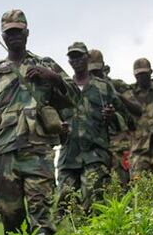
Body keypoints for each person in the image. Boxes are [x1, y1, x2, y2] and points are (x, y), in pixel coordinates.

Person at [0, 9, 72, 235]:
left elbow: (75, 97)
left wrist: (53, 77)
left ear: (27, 33)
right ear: (3, 36)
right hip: (5, 152)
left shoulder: (45, 64)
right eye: (9, 32)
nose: (14, 36)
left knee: (40, 209)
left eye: (18, 31)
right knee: (10, 214)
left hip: (38, 149)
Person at [56, 41, 133, 223]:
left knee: (93, 199)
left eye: (79, 56)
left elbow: (125, 118)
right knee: (64, 200)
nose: (76, 60)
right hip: (69, 154)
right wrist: (58, 127)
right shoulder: (63, 88)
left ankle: (93, 233)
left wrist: (112, 117)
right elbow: (51, 114)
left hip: (95, 153)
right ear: (69, 61)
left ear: (87, 58)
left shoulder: (103, 87)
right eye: (72, 57)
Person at [89, 50, 136, 188]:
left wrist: (115, 113)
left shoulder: (117, 86)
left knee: (122, 184)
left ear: (103, 66)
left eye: (96, 70)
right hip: (94, 147)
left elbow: (132, 117)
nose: (94, 75)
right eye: (91, 71)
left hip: (118, 145)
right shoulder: (82, 89)